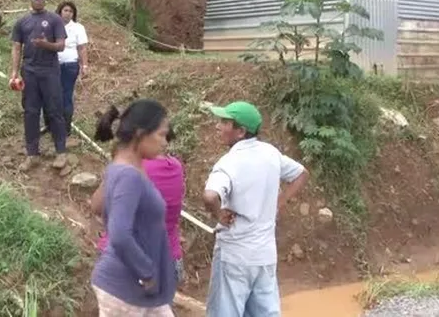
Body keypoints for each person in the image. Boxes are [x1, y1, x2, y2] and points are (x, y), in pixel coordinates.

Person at [202, 101, 309, 317]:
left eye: (225, 122)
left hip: (234, 256)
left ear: (240, 131)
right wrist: (279, 203)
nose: (218, 126)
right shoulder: (270, 153)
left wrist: (219, 214)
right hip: (264, 256)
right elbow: (301, 173)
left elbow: (210, 196)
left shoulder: (228, 163)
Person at [90, 99, 178, 316]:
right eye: (161, 134)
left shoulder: (123, 167)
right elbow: (119, 233)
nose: (165, 142)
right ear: (140, 133)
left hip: (139, 289)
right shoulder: (128, 175)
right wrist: (146, 272)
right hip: (124, 288)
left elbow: (98, 206)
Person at [10, 0, 68, 172]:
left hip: (50, 70)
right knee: (30, 112)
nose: (38, 0)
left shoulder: (54, 20)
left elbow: (60, 46)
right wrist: (14, 72)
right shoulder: (22, 22)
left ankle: (61, 152)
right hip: (30, 71)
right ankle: (32, 154)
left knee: (54, 111)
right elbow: (16, 47)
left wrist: (45, 45)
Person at [44, 1, 89, 146]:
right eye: (65, 10)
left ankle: (65, 128)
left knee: (66, 95)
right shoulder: (52, 25)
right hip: (52, 65)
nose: (68, 13)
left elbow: (82, 48)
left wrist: (84, 65)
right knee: (51, 94)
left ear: (73, 14)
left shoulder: (78, 28)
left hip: (70, 65)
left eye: (70, 11)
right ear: (59, 12)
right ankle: (51, 126)